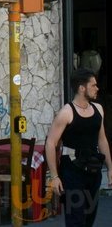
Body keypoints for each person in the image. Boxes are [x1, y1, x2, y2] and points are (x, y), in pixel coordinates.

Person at [45, 67, 112, 226]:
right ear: (82, 88)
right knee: (76, 219)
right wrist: (54, 177)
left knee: (89, 218)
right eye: (93, 85)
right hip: (72, 171)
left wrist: (110, 168)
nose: (97, 88)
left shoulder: (99, 109)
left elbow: (102, 140)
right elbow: (50, 143)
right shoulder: (66, 113)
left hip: (93, 169)